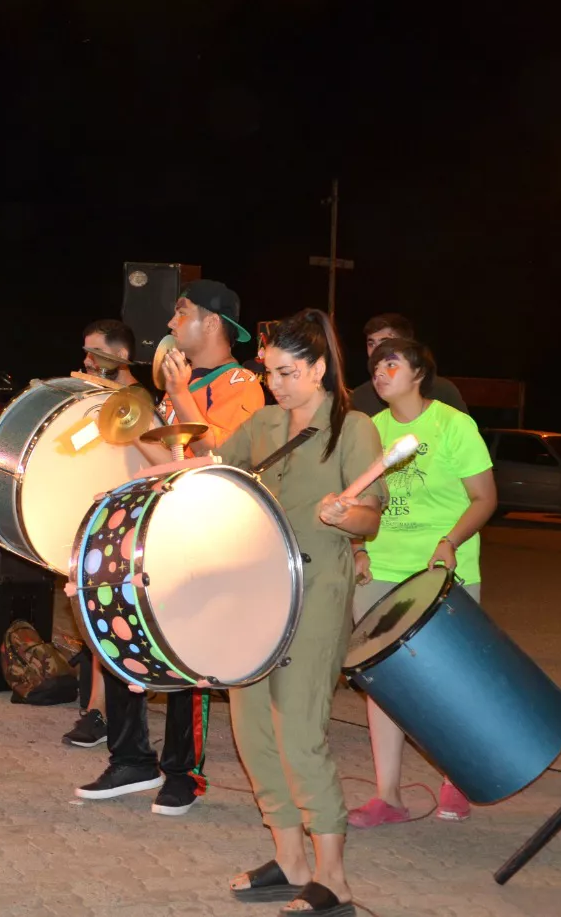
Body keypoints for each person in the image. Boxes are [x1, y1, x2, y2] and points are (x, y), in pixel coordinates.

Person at [76, 281, 264, 816]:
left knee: (186, 651)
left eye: (181, 312)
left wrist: (179, 399)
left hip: (202, 531)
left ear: (213, 322)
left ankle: (184, 772)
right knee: (122, 633)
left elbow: (226, 455)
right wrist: (126, 418)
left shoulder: (243, 382)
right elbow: (167, 450)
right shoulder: (172, 386)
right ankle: (130, 757)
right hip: (152, 526)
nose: (170, 324)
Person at [222, 308, 385, 917]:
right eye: (270, 373)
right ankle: (290, 858)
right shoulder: (262, 424)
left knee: (299, 730)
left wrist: (350, 516)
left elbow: (369, 514)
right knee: (252, 728)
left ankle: (333, 876)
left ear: (319, 368)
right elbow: (216, 475)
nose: (277, 385)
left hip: (316, 593)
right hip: (256, 592)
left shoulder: (354, 429)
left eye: (288, 373)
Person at [345, 338, 497, 828]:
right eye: (375, 366)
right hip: (382, 571)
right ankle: (387, 795)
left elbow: (484, 498)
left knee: (450, 681)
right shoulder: (371, 431)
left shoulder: (454, 425)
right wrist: (359, 549)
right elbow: (362, 505)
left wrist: (450, 541)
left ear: (418, 373)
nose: (381, 372)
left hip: (442, 571)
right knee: (383, 684)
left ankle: (457, 777)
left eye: (392, 363)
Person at [62, 319, 138, 750]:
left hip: (122, 523)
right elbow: (71, 447)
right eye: (87, 352)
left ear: (120, 358)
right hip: (91, 516)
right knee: (90, 615)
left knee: (105, 614)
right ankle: (96, 706)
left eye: (96, 354)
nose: (87, 360)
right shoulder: (93, 396)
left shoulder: (139, 402)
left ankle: (100, 712)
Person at [349, 314, 467, 417]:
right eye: (371, 343)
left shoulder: (443, 391)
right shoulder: (359, 397)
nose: (376, 351)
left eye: (385, 343)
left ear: (407, 346)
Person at [78, 319, 138, 385]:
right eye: (87, 352)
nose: (86, 361)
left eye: (97, 353)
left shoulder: (136, 395)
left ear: (122, 355)